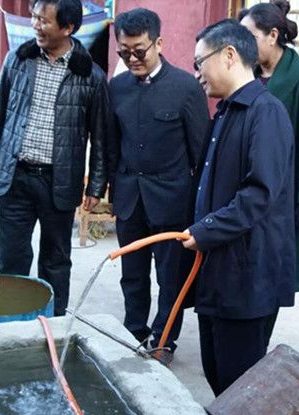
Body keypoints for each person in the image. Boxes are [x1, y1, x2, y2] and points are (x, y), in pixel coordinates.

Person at [182, 19, 295, 396]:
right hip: (217, 266)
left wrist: (205, 231)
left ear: (229, 55)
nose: (197, 73)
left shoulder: (267, 112)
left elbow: (258, 194)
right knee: (216, 374)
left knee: (239, 387)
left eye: (200, 62)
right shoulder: (226, 112)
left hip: (247, 274)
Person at [0, 0, 109, 317]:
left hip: (59, 181)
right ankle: (10, 321)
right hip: (15, 175)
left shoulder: (90, 76)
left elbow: (101, 137)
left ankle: (53, 322)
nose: (35, 25)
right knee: (12, 257)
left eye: (43, 21)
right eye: (34, 18)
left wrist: (96, 187)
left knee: (56, 259)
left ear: (68, 28)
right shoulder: (17, 60)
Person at [108, 8, 210, 357]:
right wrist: (111, 191)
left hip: (172, 202)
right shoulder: (117, 88)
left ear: (159, 43)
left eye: (140, 50)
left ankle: (163, 340)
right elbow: (112, 146)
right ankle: (133, 331)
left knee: (170, 278)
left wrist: (198, 208)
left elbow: (200, 154)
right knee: (132, 274)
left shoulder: (186, 88)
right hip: (129, 199)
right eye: (124, 52)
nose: (132, 59)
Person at [239, 0, 299, 345]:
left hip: (281, 199)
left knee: (270, 274)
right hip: (244, 190)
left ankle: (256, 345)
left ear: (272, 35)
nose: (242, 44)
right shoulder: (246, 76)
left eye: (249, 36)